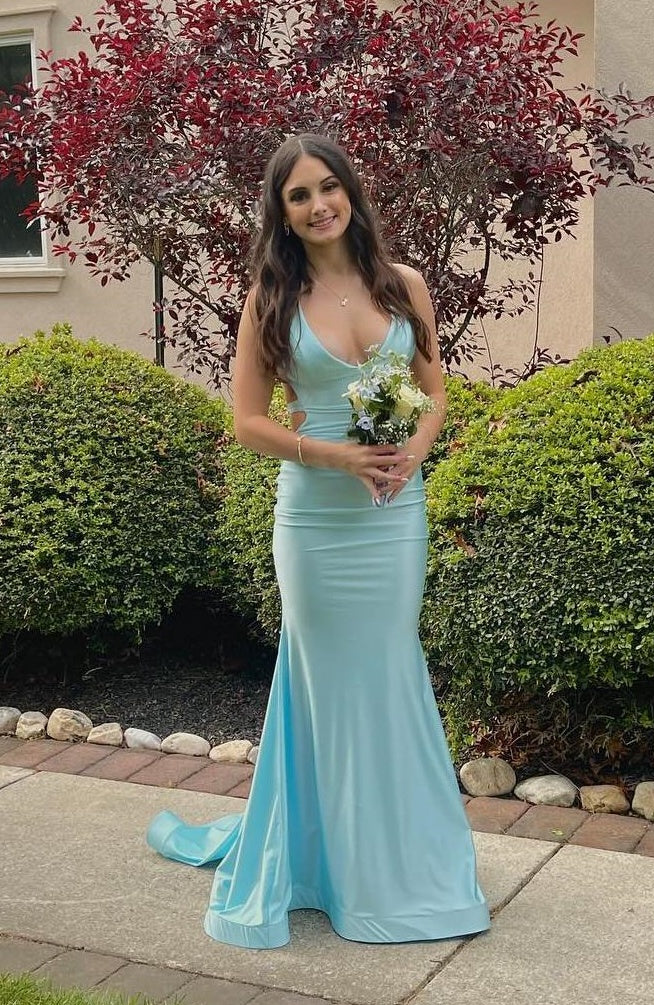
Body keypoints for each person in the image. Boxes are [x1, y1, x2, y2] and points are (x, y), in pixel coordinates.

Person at [147, 133, 490, 949]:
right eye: (298, 195)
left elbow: (434, 393)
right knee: (324, 685)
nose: (318, 205)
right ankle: (325, 863)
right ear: (283, 213)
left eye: (327, 187)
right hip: (315, 523)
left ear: (350, 193)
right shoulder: (271, 300)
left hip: (392, 517)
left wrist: (412, 452)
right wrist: (335, 454)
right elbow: (247, 422)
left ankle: (399, 859)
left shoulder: (403, 285)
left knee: (389, 671)